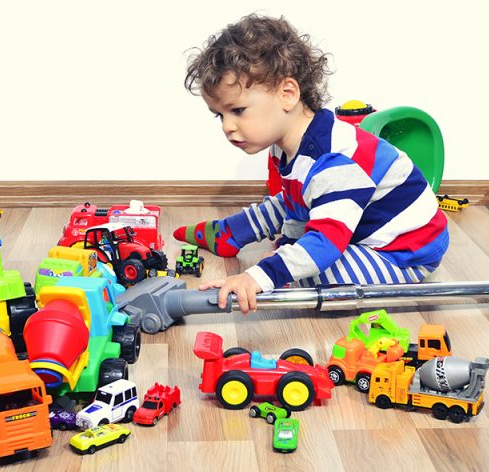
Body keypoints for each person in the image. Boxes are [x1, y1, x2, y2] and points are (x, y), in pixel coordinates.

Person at [175, 13, 449, 314]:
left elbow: (325, 243)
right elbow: (296, 203)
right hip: (353, 224)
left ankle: (248, 242)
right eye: (220, 115)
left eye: (238, 110)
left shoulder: (335, 161)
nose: (227, 126)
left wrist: (259, 275)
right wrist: (288, 244)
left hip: (401, 252)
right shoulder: (287, 145)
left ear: (288, 94)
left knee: (309, 278)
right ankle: (232, 232)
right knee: (287, 203)